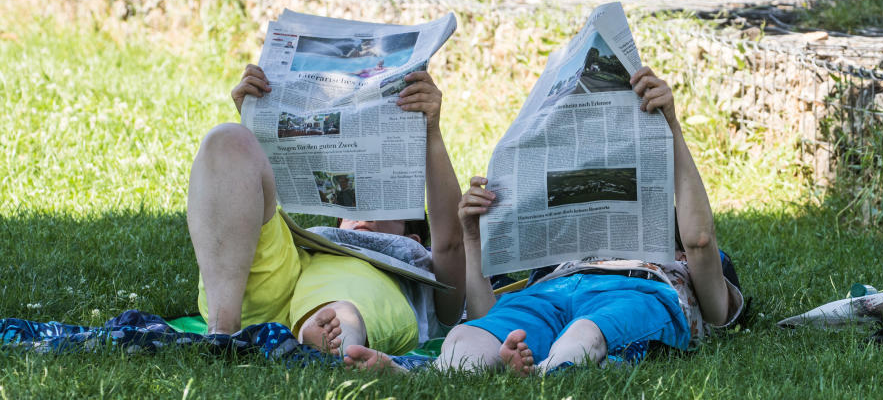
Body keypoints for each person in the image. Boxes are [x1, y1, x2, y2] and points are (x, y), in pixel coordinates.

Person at [343, 67, 745, 374]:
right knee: (467, 336)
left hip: (628, 294)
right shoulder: (554, 266)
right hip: (549, 294)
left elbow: (701, 240)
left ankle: (541, 376)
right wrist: (473, 238)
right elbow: (487, 317)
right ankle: (417, 376)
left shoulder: (681, 275)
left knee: (587, 331)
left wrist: (670, 124)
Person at [187, 64, 465, 356]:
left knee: (342, 307)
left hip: (346, 300)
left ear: (413, 240)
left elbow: (451, 242)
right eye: (356, 207)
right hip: (284, 274)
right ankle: (222, 331)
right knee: (228, 140)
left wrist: (431, 130)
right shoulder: (317, 240)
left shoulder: (421, 271)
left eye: (382, 208)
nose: (365, 214)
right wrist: (258, 115)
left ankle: (332, 335)